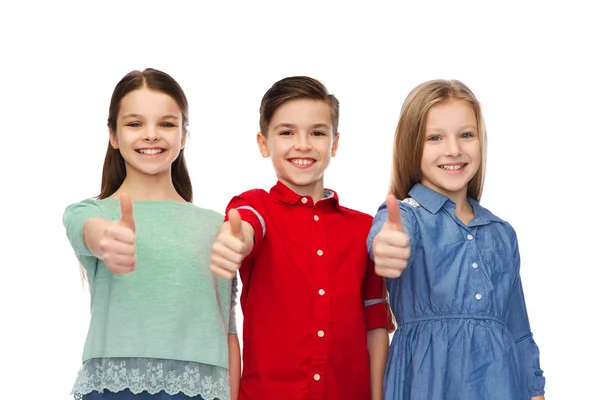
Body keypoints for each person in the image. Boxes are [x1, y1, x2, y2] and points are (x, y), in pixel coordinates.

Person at [209, 76, 393, 400]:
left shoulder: (365, 230)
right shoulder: (255, 206)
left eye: (318, 132)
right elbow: (246, 228)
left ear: (334, 143)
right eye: (287, 132)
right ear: (263, 143)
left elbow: (375, 326)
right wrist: (235, 241)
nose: (303, 144)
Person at [63, 68, 240, 400]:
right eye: (134, 123)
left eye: (167, 124)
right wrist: (107, 239)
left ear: (184, 135)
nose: (151, 134)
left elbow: (228, 330)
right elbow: (89, 232)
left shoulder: (219, 226)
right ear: (113, 136)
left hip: (203, 392)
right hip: (114, 391)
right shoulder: (91, 213)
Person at [367, 79, 545, 399]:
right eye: (435, 137)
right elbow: (384, 237)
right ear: (411, 146)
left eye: (466, 135)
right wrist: (386, 245)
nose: (454, 149)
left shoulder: (501, 233)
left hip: (502, 386)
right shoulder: (407, 217)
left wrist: (536, 390)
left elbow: (518, 329)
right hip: (426, 384)